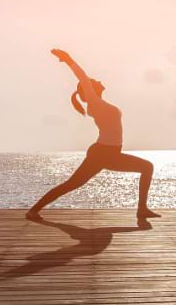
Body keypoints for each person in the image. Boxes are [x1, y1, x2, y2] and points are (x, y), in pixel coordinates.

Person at [28, 48, 160, 220]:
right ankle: (33, 210)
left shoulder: (99, 104)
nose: (98, 80)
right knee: (72, 184)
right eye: (94, 81)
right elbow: (82, 76)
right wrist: (68, 59)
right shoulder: (95, 102)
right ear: (89, 89)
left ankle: (142, 209)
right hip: (103, 153)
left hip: (110, 153)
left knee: (146, 167)